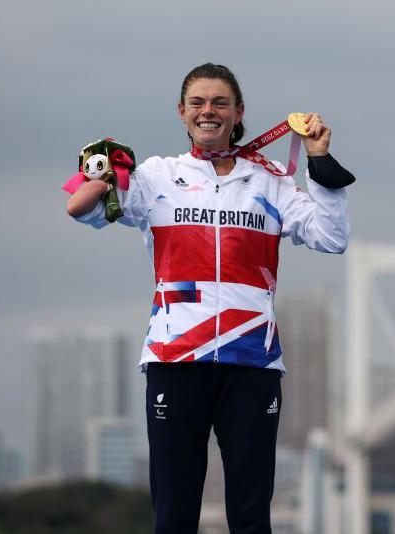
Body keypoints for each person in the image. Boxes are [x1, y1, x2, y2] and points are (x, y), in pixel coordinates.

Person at [66, 63, 354, 533]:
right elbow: (81, 211)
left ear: (238, 112)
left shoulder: (272, 179)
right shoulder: (156, 175)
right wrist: (103, 171)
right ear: (182, 113)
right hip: (175, 359)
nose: (208, 111)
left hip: (252, 364)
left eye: (220, 102)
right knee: (175, 514)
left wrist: (320, 163)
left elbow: (331, 237)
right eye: (197, 102)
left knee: (250, 516)